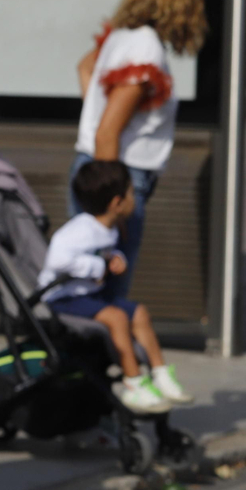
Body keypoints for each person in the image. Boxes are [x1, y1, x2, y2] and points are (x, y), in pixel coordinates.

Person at [69, 0, 208, 297]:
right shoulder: (146, 48)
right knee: (106, 297)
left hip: (98, 169)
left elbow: (85, 68)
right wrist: (114, 202)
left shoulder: (122, 36)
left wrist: (98, 114)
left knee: (87, 291)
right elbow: (108, 133)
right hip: (116, 177)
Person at [39, 159, 191, 413]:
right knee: (117, 318)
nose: (135, 199)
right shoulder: (80, 230)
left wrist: (117, 259)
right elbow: (57, 259)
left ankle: (160, 374)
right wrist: (97, 267)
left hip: (90, 295)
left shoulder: (109, 227)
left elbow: (106, 253)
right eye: (132, 193)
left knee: (139, 312)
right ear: (117, 203)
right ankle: (134, 383)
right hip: (64, 297)